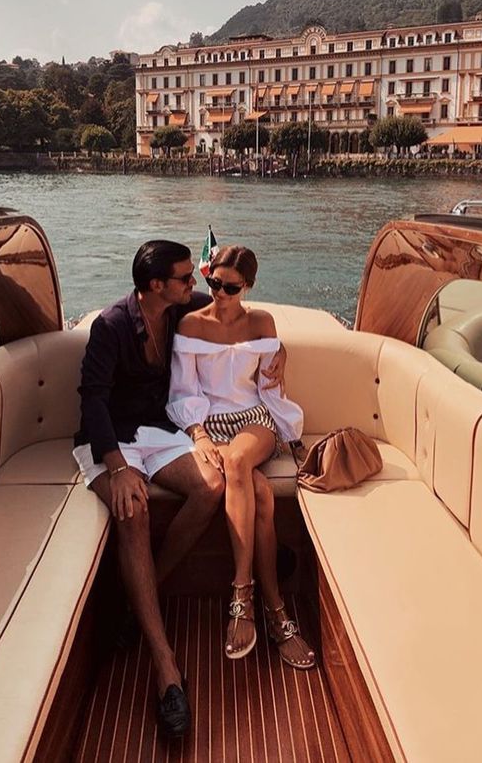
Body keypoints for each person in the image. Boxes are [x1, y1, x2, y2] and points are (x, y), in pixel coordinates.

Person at [72, 240, 286, 738]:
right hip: (112, 441)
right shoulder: (110, 326)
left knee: (211, 486)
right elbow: (92, 401)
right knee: (134, 511)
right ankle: (166, 667)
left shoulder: (180, 309)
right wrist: (118, 466)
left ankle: (146, 594)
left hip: (158, 432)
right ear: (156, 285)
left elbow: (237, 324)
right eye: (189, 279)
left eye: (201, 278)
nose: (199, 286)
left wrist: (280, 352)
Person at [166, 245, 315, 669]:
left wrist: (291, 435)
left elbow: (270, 388)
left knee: (236, 464)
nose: (220, 293)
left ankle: (241, 593)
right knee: (262, 496)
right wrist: (197, 434)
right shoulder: (191, 324)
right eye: (213, 283)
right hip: (209, 425)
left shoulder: (262, 322)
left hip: (254, 421)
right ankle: (277, 611)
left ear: (248, 286)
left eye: (231, 287)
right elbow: (184, 391)